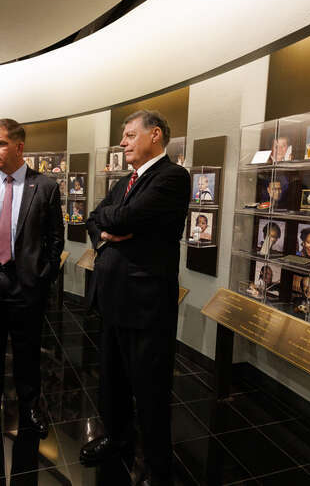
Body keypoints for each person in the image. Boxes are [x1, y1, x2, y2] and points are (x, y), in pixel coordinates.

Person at [80, 110, 190, 485]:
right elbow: (95, 218)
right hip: (113, 299)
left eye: (129, 135)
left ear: (155, 135)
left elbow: (123, 218)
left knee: (150, 389)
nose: (122, 142)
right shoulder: (126, 181)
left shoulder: (172, 177)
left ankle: (158, 465)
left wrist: (115, 221)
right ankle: (117, 438)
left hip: (146, 305)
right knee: (111, 381)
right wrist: (108, 230)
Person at [0, 118, 64, 440]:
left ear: (19, 147)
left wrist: (44, 276)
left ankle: (30, 408)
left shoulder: (45, 186)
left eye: (1, 143)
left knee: (27, 351)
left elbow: (55, 239)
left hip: (26, 284)